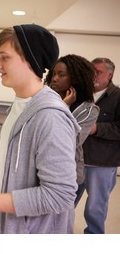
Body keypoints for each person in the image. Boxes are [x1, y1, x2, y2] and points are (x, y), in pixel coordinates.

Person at [0, 24, 80, 234]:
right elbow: (26, 158)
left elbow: (60, 195)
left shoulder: (50, 116)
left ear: (30, 60)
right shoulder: (20, 103)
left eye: (5, 57)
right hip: (2, 225)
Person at [44, 54, 99, 206]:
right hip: (42, 172)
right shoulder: (44, 99)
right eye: (54, 74)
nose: (54, 78)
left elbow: (70, 140)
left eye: (61, 75)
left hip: (69, 177)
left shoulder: (89, 110)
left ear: (75, 78)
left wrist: (62, 106)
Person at [81, 57, 120, 234]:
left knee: (95, 207)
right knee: (65, 200)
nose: (94, 75)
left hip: (102, 163)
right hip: (76, 159)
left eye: (99, 72)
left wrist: (96, 128)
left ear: (110, 75)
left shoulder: (118, 96)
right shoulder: (82, 94)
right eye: (92, 71)